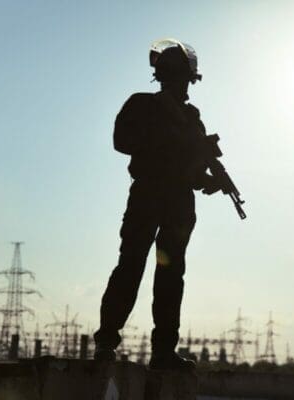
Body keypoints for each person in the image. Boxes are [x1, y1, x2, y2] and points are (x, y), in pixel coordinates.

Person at [93, 39, 220, 369]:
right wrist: (169, 144)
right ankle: (107, 341)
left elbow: (192, 173)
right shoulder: (143, 105)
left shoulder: (193, 120)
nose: (183, 85)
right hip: (148, 194)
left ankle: (163, 351)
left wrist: (208, 181)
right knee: (131, 265)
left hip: (178, 202)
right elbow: (122, 141)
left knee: (171, 274)